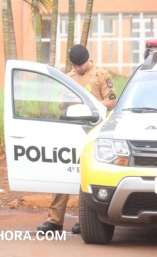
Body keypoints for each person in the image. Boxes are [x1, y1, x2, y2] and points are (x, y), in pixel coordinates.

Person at [37, 44, 117, 234]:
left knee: (86, 175)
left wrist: (88, 104)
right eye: (74, 65)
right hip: (69, 130)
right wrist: (68, 100)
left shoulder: (101, 75)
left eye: (80, 65)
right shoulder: (69, 77)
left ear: (87, 60)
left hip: (91, 130)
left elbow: (112, 102)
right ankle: (54, 221)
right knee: (62, 174)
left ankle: (84, 220)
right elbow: (60, 104)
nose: (77, 68)